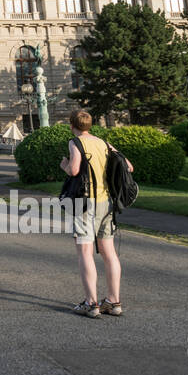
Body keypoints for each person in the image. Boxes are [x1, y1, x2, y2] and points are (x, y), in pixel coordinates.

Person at [60, 110, 133, 318]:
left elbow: (74, 170)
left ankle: (91, 304)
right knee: (109, 252)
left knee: (85, 252)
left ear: (72, 125)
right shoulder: (102, 142)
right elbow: (128, 166)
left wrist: (63, 164)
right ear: (90, 125)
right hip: (106, 202)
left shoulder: (75, 143)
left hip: (85, 203)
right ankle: (113, 301)